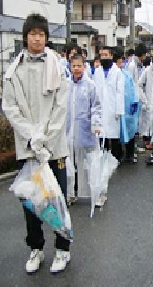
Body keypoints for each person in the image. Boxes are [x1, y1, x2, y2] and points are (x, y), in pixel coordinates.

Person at [2, 13, 72, 274]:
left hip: (55, 149)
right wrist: (32, 136)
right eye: (33, 34)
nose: (37, 39)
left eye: (41, 35)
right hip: (28, 147)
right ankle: (36, 248)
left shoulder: (57, 66)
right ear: (25, 37)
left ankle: (63, 248)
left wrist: (45, 137)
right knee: (31, 201)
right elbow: (10, 107)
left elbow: (61, 106)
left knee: (58, 199)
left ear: (46, 38)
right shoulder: (14, 70)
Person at [65, 53, 102, 207]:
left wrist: (95, 124)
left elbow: (96, 107)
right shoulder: (66, 85)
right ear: (70, 67)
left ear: (84, 66)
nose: (77, 69)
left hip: (86, 131)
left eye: (79, 65)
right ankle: (70, 194)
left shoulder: (90, 85)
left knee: (90, 164)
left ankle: (98, 194)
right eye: (74, 66)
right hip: (69, 132)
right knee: (68, 165)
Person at [92, 46, 125, 197]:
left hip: (112, 109)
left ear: (111, 56)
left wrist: (119, 111)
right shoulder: (97, 72)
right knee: (101, 138)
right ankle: (102, 160)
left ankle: (115, 158)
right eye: (102, 55)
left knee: (113, 137)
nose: (104, 57)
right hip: (100, 109)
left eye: (106, 55)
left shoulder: (117, 72)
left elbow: (120, 92)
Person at [137, 55, 153, 151]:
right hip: (148, 101)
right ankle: (147, 140)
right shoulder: (147, 71)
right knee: (146, 123)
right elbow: (139, 84)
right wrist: (143, 99)